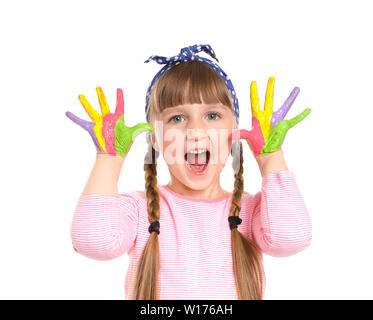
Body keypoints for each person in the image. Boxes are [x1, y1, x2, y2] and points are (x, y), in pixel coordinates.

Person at [66, 44, 312, 300]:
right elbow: (93, 242)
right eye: (177, 119)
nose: (196, 130)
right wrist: (108, 159)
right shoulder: (139, 211)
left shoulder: (251, 213)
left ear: (235, 133)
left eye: (213, 115)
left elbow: (291, 239)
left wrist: (271, 158)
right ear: (155, 140)